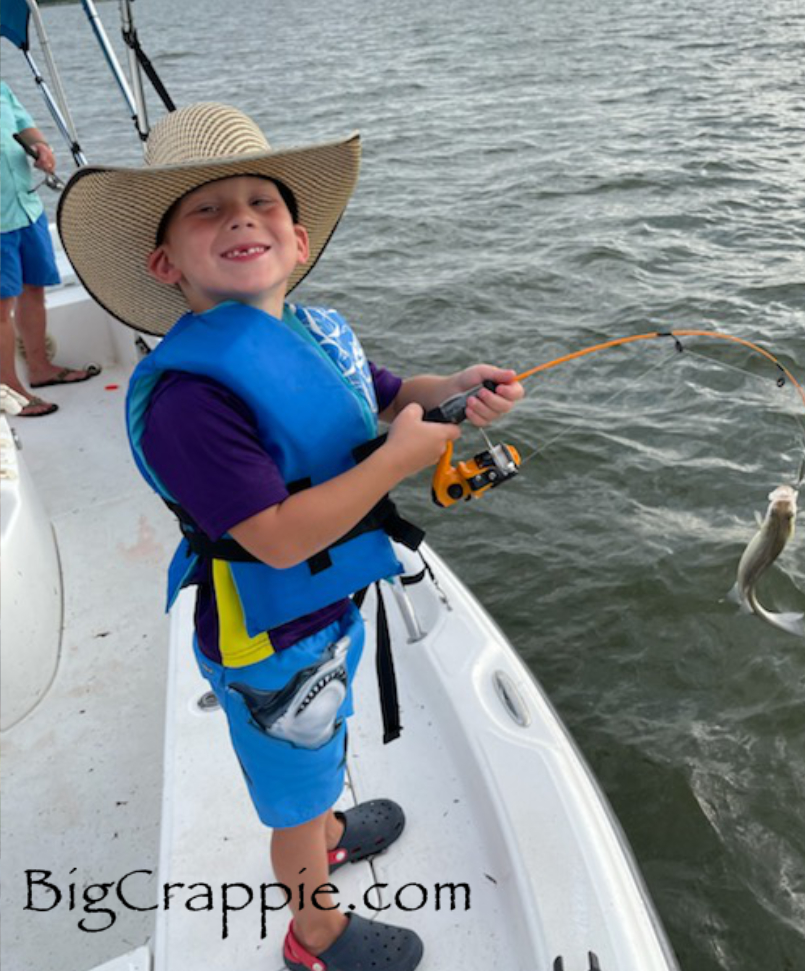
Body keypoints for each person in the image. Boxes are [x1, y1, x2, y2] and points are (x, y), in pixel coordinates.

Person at [57, 102, 523, 971]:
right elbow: (271, 539)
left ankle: (330, 826)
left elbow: (390, 395)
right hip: (268, 632)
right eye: (206, 208)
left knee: (325, 734)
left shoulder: (318, 333)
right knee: (292, 791)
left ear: (298, 243)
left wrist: (451, 385)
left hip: (328, 604)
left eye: (262, 202)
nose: (240, 215)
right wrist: (393, 466)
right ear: (165, 263)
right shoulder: (192, 400)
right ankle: (316, 931)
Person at [0, 81, 99, 416]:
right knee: (1, 310)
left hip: (26, 207)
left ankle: (40, 368)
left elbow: (22, 123)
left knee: (34, 289)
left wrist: (41, 146)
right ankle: (10, 391)